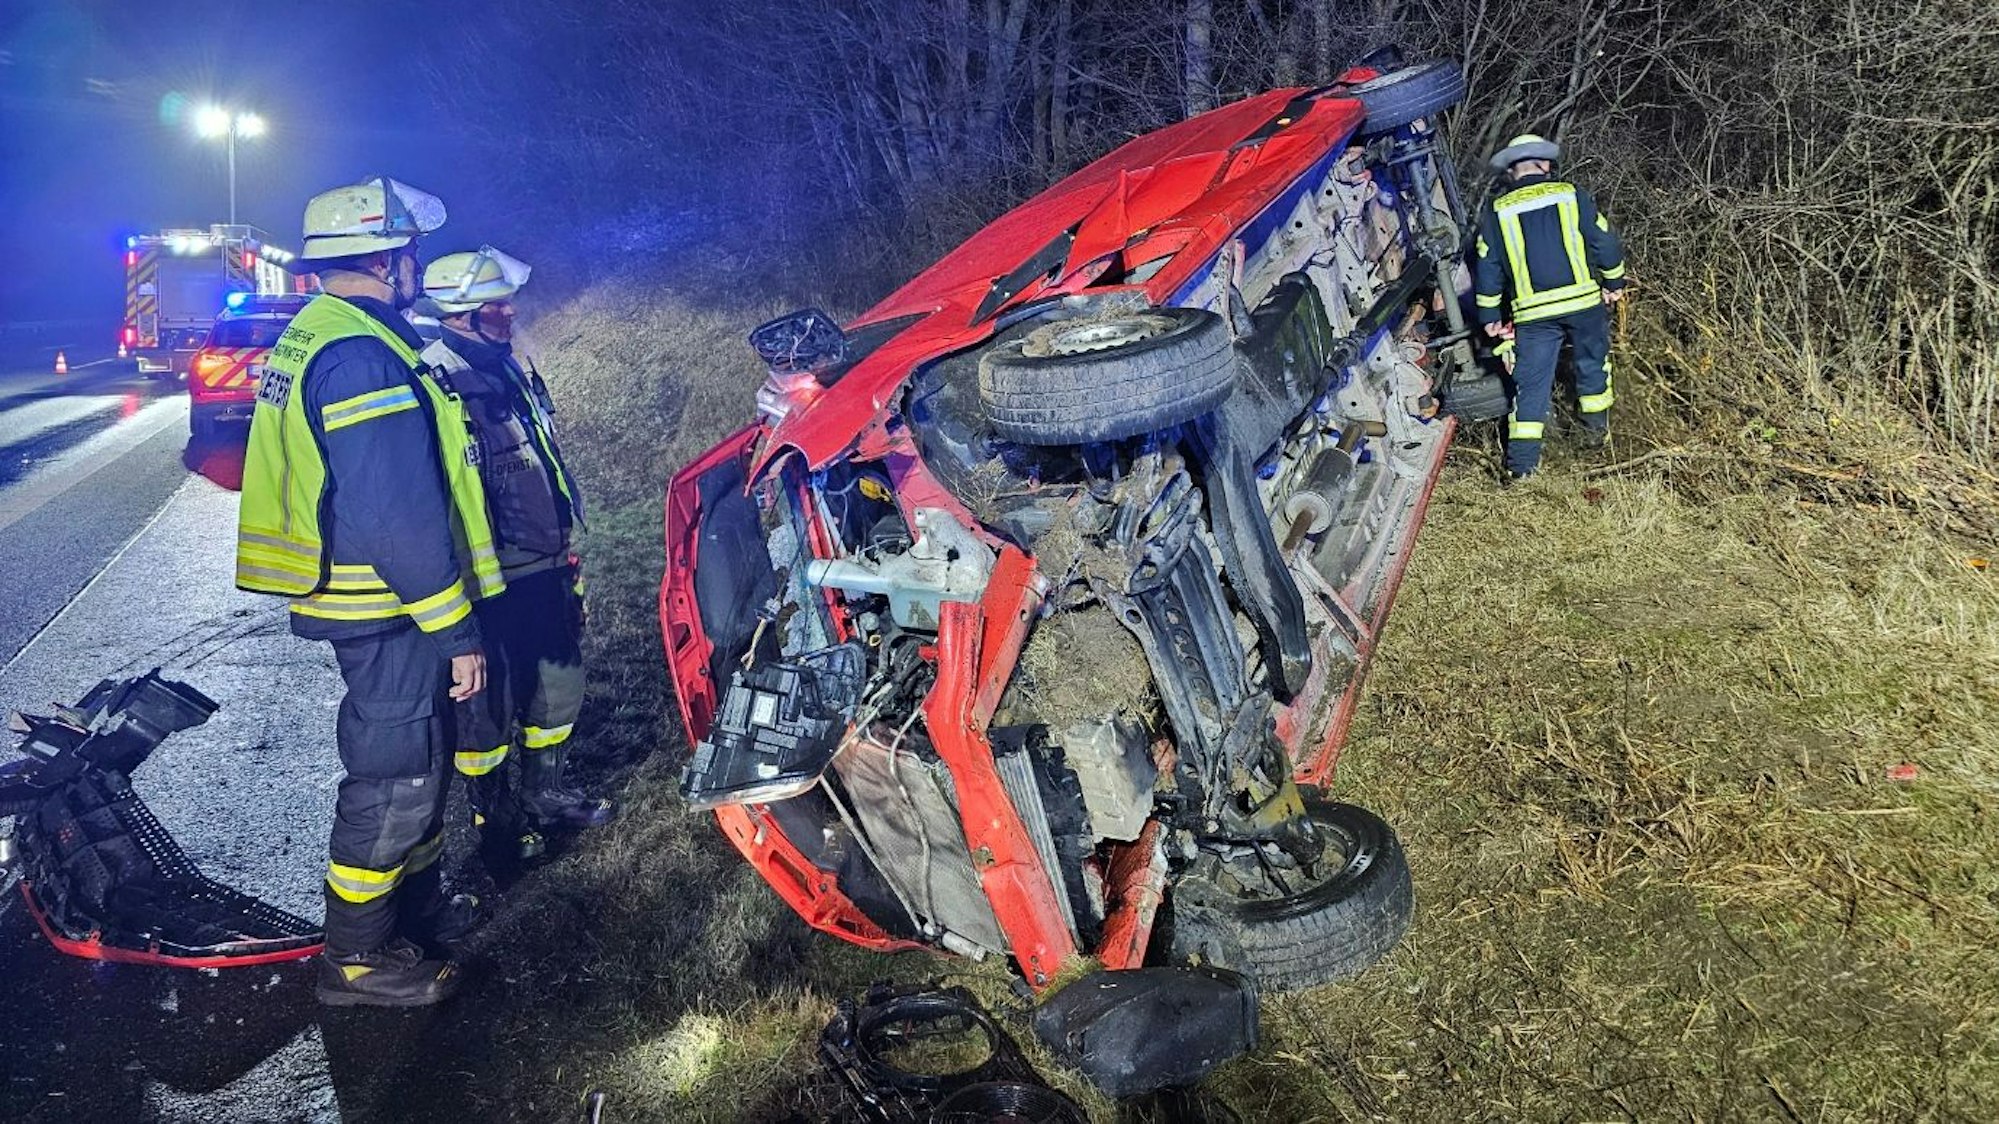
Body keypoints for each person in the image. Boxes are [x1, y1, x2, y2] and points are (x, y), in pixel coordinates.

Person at [236, 176, 503, 1007]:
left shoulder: (329, 333)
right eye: (411, 251)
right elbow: (396, 510)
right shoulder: (358, 354)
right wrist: (455, 628)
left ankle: (406, 919)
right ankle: (355, 958)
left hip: (384, 603)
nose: (417, 264)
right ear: (389, 257)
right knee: (394, 777)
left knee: (416, 764)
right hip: (388, 607)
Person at [416, 247, 614, 865]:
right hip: (487, 573)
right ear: (462, 312)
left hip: (544, 559)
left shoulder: (509, 362)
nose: (509, 311)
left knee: (558, 685)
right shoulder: (433, 376)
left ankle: (546, 793)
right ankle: (494, 822)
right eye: (495, 304)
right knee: (488, 710)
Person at [1472, 134, 1629, 480]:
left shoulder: (1498, 211)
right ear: (1545, 165)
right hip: (1583, 305)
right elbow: (1604, 240)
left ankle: (1522, 469)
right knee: (1592, 369)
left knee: (1531, 388)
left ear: (1512, 171)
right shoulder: (1571, 195)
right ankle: (1594, 442)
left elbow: (1488, 268)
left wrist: (1490, 317)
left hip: (1533, 316)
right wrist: (1614, 284)